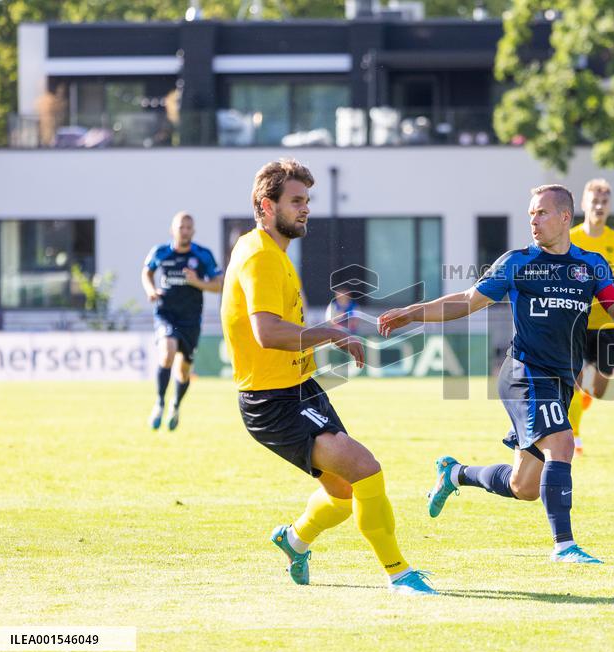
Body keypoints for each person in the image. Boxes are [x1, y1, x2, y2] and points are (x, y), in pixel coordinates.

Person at [378, 184, 614, 564]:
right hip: (524, 373)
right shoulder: (517, 262)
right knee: (562, 444)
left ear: (565, 217)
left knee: (524, 486)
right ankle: (565, 546)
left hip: (561, 381)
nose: (533, 220)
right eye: (531, 213)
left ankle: (456, 474)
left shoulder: (592, 265)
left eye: (542, 213)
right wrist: (413, 311)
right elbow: (468, 301)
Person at [220, 158, 436, 595]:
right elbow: (267, 333)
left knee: (341, 492)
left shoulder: (270, 251)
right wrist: (330, 333)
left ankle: (294, 540)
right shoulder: (260, 256)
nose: (305, 209)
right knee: (364, 468)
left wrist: (325, 337)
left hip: (299, 389)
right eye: (296, 201)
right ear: (267, 205)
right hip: (272, 401)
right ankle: (399, 573)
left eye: (307, 201)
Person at [567, 179, 614, 455]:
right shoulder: (571, 237)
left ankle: (586, 394)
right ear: (584, 204)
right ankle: (573, 436)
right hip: (575, 321)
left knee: (599, 388)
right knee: (572, 381)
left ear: (609, 206)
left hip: (607, 323)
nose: (599, 206)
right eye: (594, 201)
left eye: (604, 202)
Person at [142, 212, 223, 430]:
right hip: (166, 312)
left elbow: (219, 285)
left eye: (188, 228)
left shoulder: (203, 255)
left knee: (184, 371)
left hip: (190, 319)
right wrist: (151, 290)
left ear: (193, 231)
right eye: (181, 227)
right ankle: (159, 403)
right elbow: (146, 272)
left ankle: (175, 405)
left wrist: (197, 282)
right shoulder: (160, 252)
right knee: (167, 352)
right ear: (172, 230)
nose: (184, 231)